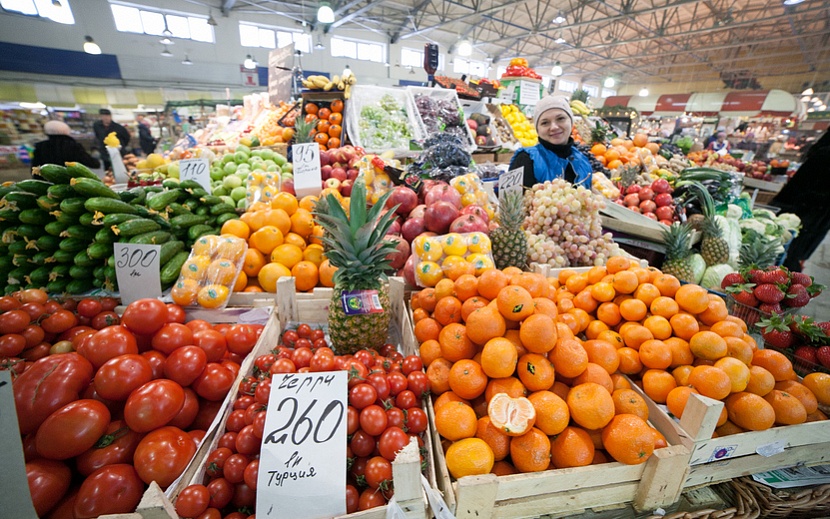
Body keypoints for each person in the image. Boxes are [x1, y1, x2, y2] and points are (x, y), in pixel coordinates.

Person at [771, 129, 830, 272]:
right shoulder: (823, 154)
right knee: (791, 255)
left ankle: (783, 281)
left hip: (803, 211)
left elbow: (797, 188)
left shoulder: (823, 154)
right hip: (814, 217)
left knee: (787, 253)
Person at [509, 95, 592, 189]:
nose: (554, 127)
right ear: (538, 130)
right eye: (545, 123)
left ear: (571, 122)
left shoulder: (583, 161)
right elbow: (509, 200)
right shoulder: (524, 159)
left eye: (560, 119)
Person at [31, 120, 100, 169]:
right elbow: (92, 163)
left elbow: (35, 168)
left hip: (47, 183)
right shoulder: (73, 146)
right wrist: (96, 159)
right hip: (71, 183)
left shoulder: (40, 147)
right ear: (66, 130)